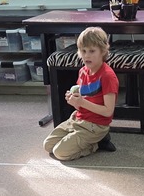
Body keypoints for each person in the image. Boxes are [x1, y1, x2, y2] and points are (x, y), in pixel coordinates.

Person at [42, 26, 118, 161]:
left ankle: (95, 144)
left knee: (60, 153)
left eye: (92, 51)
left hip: (95, 126)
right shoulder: (83, 71)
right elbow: (81, 104)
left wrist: (81, 102)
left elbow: (108, 111)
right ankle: (80, 139)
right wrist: (74, 101)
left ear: (102, 51)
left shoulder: (107, 76)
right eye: (83, 51)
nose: (86, 55)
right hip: (78, 119)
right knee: (48, 145)